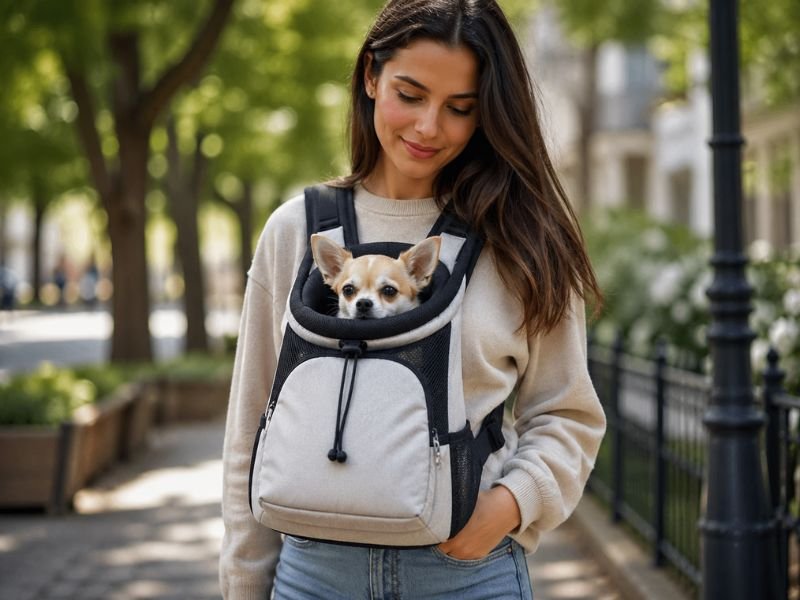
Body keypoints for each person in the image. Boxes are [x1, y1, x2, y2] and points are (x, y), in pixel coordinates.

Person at [219, 1, 606, 598]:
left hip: (465, 573)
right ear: (371, 77)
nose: (429, 127)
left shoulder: (518, 238)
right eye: (410, 94)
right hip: (314, 577)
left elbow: (567, 413)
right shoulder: (297, 232)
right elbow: (251, 425)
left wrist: (505, 508)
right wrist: (245, 582)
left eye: (460, 109)